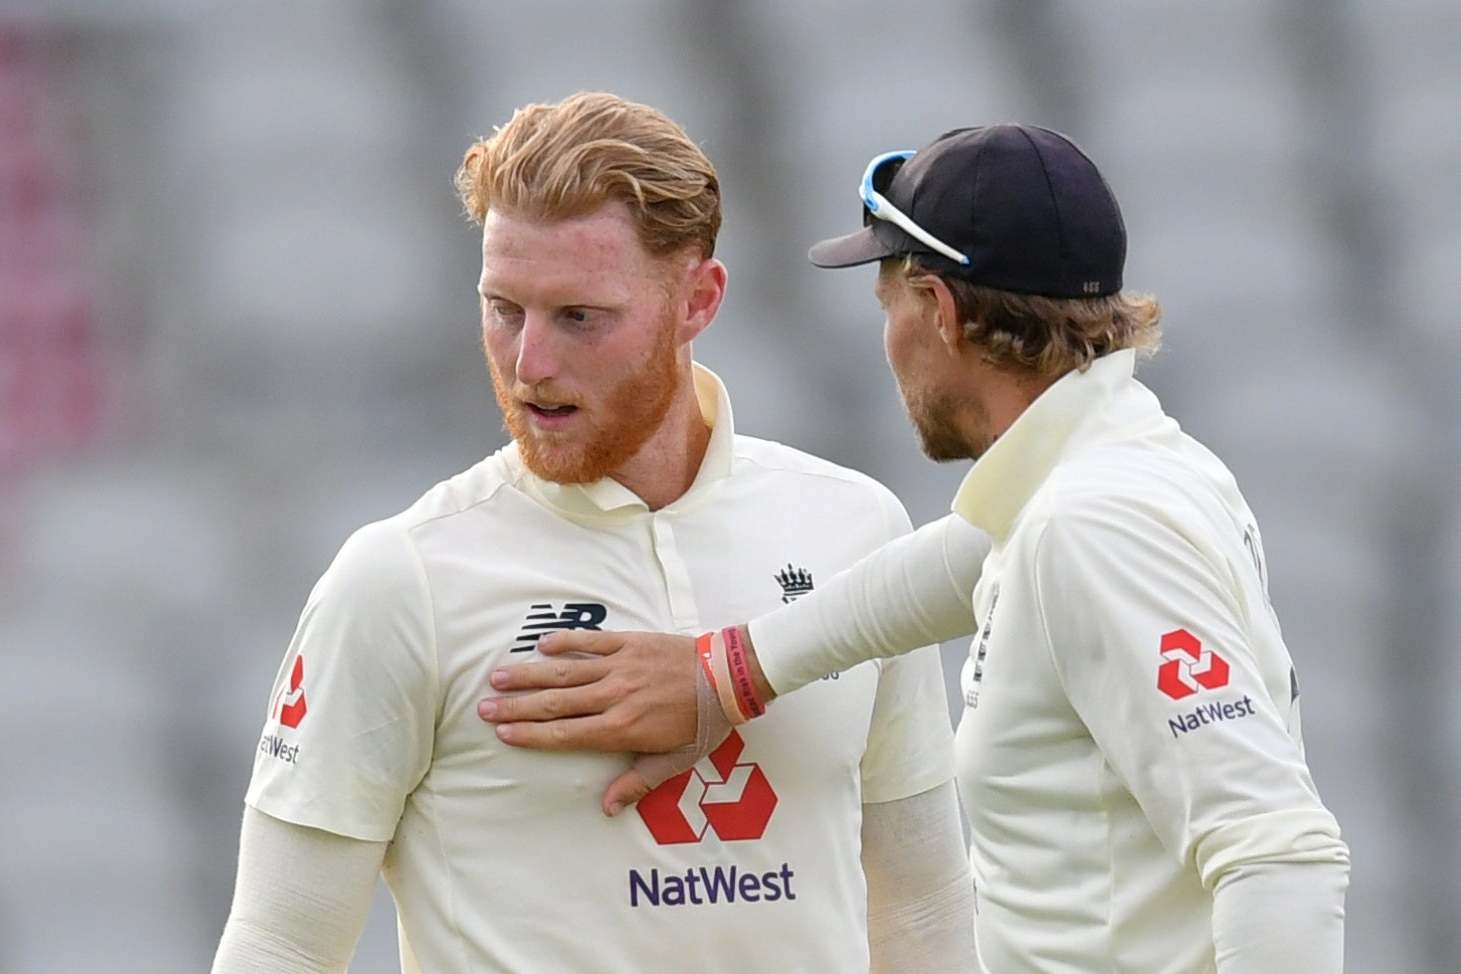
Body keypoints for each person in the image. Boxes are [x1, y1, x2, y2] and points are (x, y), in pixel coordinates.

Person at [480, 124, 1352, 972]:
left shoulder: (1087, 526)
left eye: (886, 300)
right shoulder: (1129, 467)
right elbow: (956, 561)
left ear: (936, 310)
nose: (887, 336)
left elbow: (1279, 855)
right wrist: (728, 672)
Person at [210, 92, 977, 973]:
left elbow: (921, 908)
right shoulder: (398, 578)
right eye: (504, 309)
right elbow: (281, 943)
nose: (529, 364)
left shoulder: (855, 528)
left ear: (698, 301)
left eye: (579, 317)